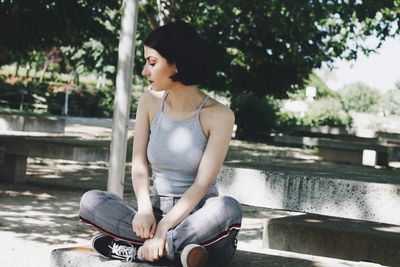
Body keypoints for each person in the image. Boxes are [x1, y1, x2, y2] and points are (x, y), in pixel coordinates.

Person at [79, 20, 242, 267]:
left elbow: (202, 184)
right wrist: (145, 210)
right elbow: (139, 165)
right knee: (91, 201)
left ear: (177, 66)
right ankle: (179, 252)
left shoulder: (220, 115)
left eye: (152, 63)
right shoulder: (149, 101)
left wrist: (165, 228)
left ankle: (143, 250)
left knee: (227, 208)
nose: (145, 71)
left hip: (200, 221)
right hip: (155, 213)